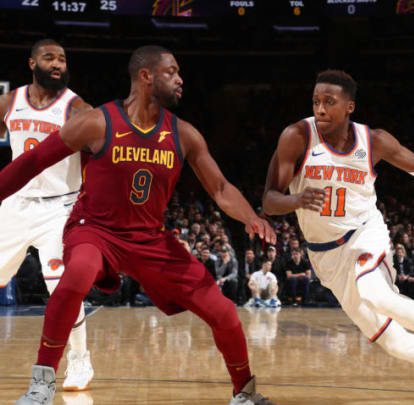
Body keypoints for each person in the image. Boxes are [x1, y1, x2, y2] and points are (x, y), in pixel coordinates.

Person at [2, 45, 276, 405]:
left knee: (223, 310)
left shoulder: (185, 134)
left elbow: (221, 188)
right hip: (95, 230)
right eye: (172, 71)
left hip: (150, 239)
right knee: (74, 279)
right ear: (146, 76)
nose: (180, 79)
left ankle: (244, 393)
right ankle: (42, 385)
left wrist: (252, 217)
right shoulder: (96, 122)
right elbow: (32, 161)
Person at [262, 70, 414, 404]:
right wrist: (295, 200)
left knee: (377, 293)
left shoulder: (373, 141)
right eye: (316, 101)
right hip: (325, 256)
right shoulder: (297, 136)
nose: (320, 109)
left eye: (330, 102)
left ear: (349, 107)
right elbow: (269, 200)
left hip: (364, 234)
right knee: (395, 343)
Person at [0, 39, 94, 391]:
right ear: (32, 63)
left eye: (62, 59)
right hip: (15, 204)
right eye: (49, 58)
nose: (57, 64)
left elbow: (104, 147)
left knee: (63, 289)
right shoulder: (10, 103)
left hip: (61, 207)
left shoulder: (77, 107)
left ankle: (81, 362)